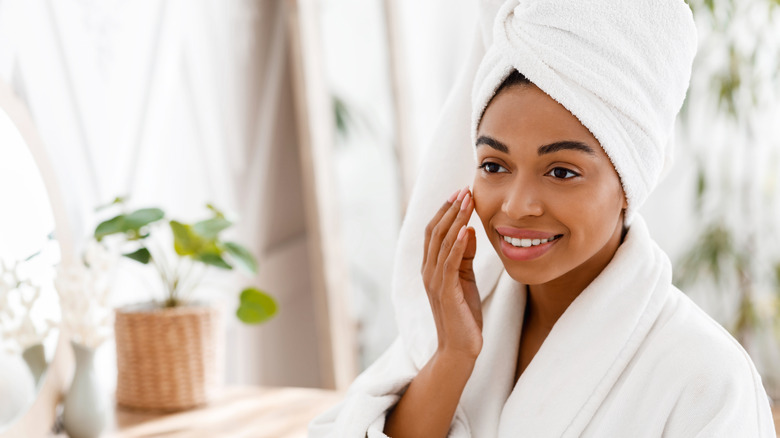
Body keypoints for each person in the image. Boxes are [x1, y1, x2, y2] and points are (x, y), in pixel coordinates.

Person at [309, 0, 777, 436]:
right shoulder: (471, 313)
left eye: (561, 171)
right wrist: (454, 354)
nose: (515, 205)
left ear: (629, 185)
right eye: (494, 165)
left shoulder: (709, 380)